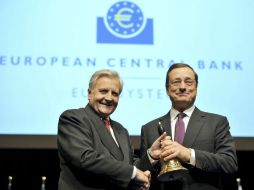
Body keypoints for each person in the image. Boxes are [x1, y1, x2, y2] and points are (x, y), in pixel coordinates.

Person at [139, 63, 238, 190]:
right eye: (176, 82)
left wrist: (187, 154)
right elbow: (142, 174)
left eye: (188, 82)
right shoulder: (149, 128)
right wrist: (151, 158)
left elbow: (229, 163)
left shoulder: (217, 123)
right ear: (167, 89)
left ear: (196, 87)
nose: (182, 87)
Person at [57, 69, 151, 190]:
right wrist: (133, 173)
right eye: (103, 91)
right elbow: (85, 158)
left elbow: (128, 166)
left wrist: (151, 156)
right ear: (90, 93)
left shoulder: (121, 130)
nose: (109, 97)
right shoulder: (73, 118)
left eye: (115, 93)